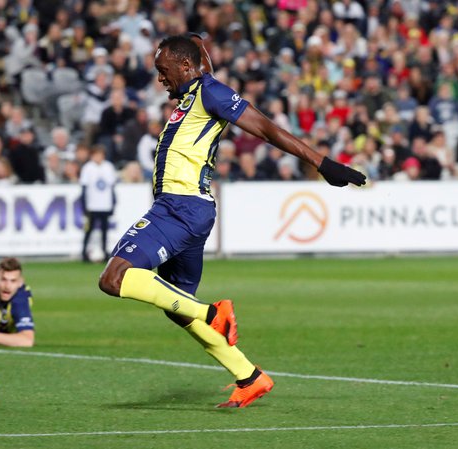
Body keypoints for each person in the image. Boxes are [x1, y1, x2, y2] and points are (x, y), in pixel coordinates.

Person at [98, 35, 366, 408]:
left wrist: (322, 163)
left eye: (164, 71)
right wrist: (191, 43)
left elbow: (267, 129)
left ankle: (214, 311)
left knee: (115, 278)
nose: (160, 79)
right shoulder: (193, 94)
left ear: (187, 68)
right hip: (189, 209)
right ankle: (249, 376)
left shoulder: (211, 92)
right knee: (178, 307)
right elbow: (198, 52)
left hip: (180, 207)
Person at [80, 144, 117, 262]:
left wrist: (113, 203)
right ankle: (84, 251)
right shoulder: (88, 168)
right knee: (89, 230)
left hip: (105, 204)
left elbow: (111, 188)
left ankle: (104, 250)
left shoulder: (108, 167)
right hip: (92, 205)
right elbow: (84, 188)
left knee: (105, 230)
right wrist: (84, 205)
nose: (98, 157)